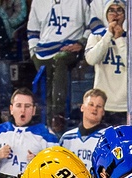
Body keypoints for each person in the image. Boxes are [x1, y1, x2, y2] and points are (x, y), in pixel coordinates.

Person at [27, 0, 87, 130]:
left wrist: (82, 43)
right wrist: (33, 52)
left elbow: (90, 26)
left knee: (60, 61)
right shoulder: (38, 2)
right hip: (44, 50)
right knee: (46, 79)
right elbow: (33, 31)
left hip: (70, 47)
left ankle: (58, 115)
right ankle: (48, 123)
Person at [84, 0, 132, 125]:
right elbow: (91, 59)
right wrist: (108, 36)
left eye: (119, 10)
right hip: (101, 104)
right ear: (105, 13)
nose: (115, 14)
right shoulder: (96, 36)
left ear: (125, 14)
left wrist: (119, 39)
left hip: (125, 105)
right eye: (111, 10)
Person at [0, 88, 57, 176]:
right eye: (18, 105)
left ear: (33, 110)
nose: (23, 110)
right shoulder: (0, 131)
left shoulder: (47, 135)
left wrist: (39, 164)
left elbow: (58, 169)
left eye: (27, 106)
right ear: (11, 109)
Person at [59, 88, 108, 169]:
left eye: (99, 106)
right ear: (82, 107)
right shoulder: (67, 138)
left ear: (103, 112)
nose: (94, 109)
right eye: (91, 104)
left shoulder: (107, 138)